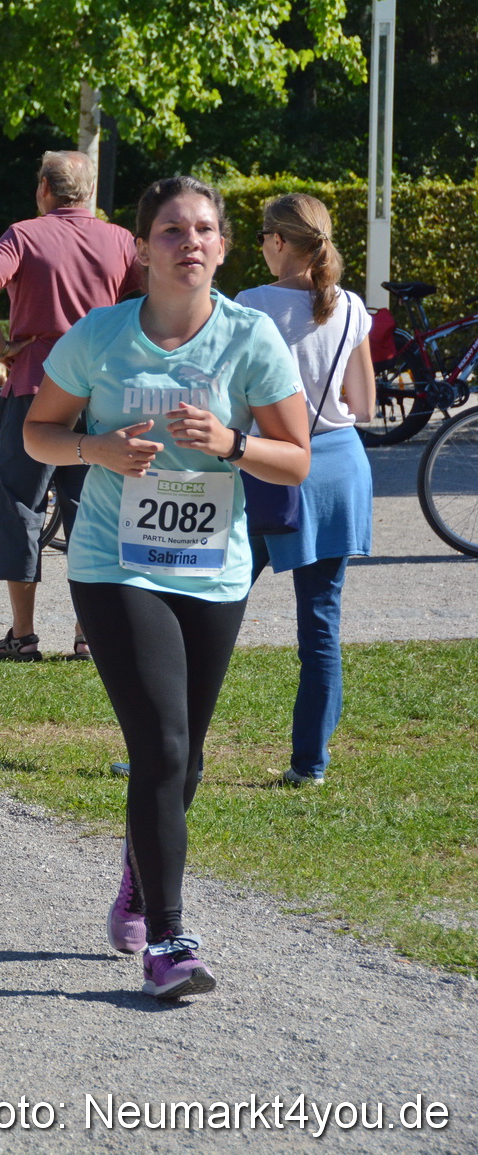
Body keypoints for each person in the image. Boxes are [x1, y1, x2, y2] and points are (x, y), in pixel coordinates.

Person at [23, 175, 309, 999]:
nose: (191, 242)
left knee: (183, 763)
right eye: (173, 230)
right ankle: (170, 942)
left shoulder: (249, 338)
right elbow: (40, 433)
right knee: (163, 744)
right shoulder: (101, 337)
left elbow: (297, 456)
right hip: (117, 562)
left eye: (206, 230)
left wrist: (230, 442)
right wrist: (97, 451)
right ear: (143, 246)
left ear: (223, 247)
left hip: (213, 568)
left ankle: (139, 873)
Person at [0, 150, 142, 661]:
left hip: (35, 387)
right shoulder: (121, 241)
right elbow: (148, 303)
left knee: (20, 504)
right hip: (102, 392)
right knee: (92, 508)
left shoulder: (24, 235)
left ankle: (23, 636)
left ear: (44, 188)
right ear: (89, 193)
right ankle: (90, 635)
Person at [235, 194, 376, 788]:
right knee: (321, 625)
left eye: (263, 235)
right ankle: (309, 767)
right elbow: (363, 405)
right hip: (340, 467)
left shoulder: (249, 306)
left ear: (279, 242)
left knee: (204, 614)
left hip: (269, 468)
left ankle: (165, 755)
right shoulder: (349, 308)